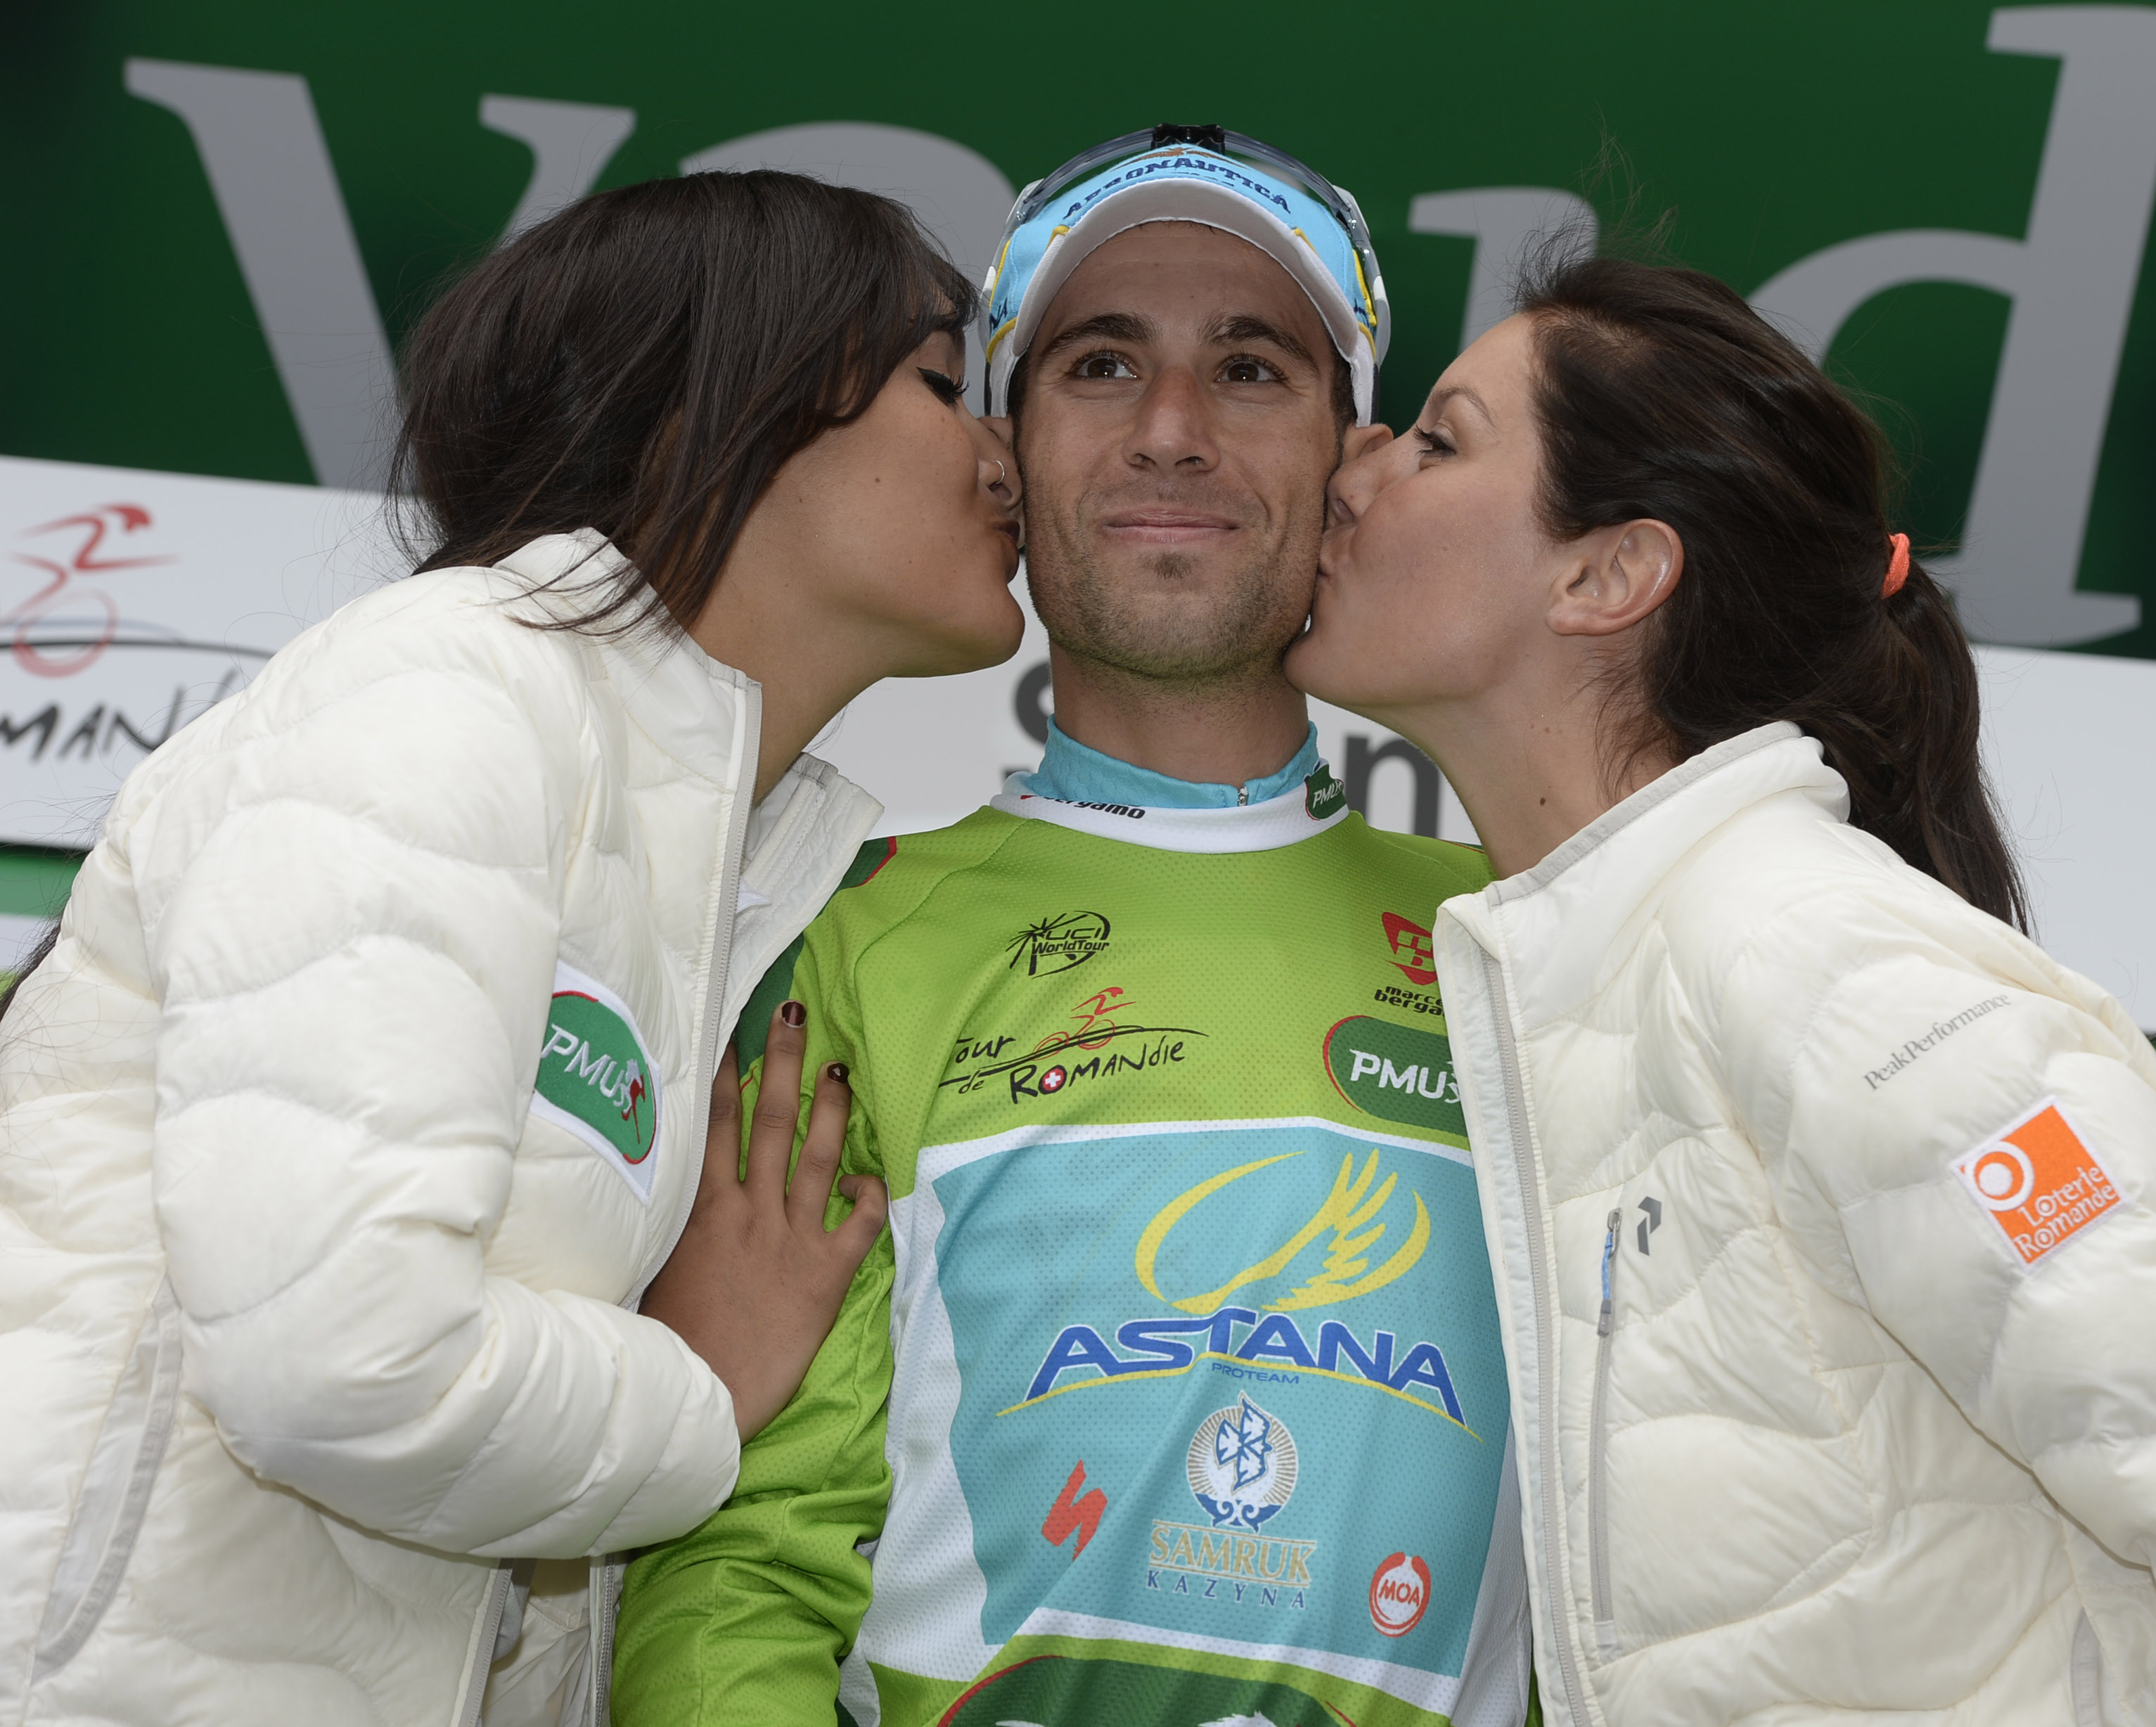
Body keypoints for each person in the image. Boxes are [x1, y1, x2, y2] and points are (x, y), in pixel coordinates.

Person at [1285, 252, 2156, 1726]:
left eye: (1441, 438)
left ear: (1609, 574)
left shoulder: (1810, 952)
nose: (1357, 468)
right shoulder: (1604, 976)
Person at [0, 170, 1027, 1727]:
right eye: (945, 386)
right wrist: (704, 1383)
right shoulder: (448, 694)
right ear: (728, 395)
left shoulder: (747, 854)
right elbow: (339, 1361)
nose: (1002, 453)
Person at [612, 128, 1532, 1727]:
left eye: (1251, 370)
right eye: (1101, 365)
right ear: (1007, 461)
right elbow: (744, 1572)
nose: (1171, 432)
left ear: (1353, 466)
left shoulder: (1528, 945)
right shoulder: (844, 931)